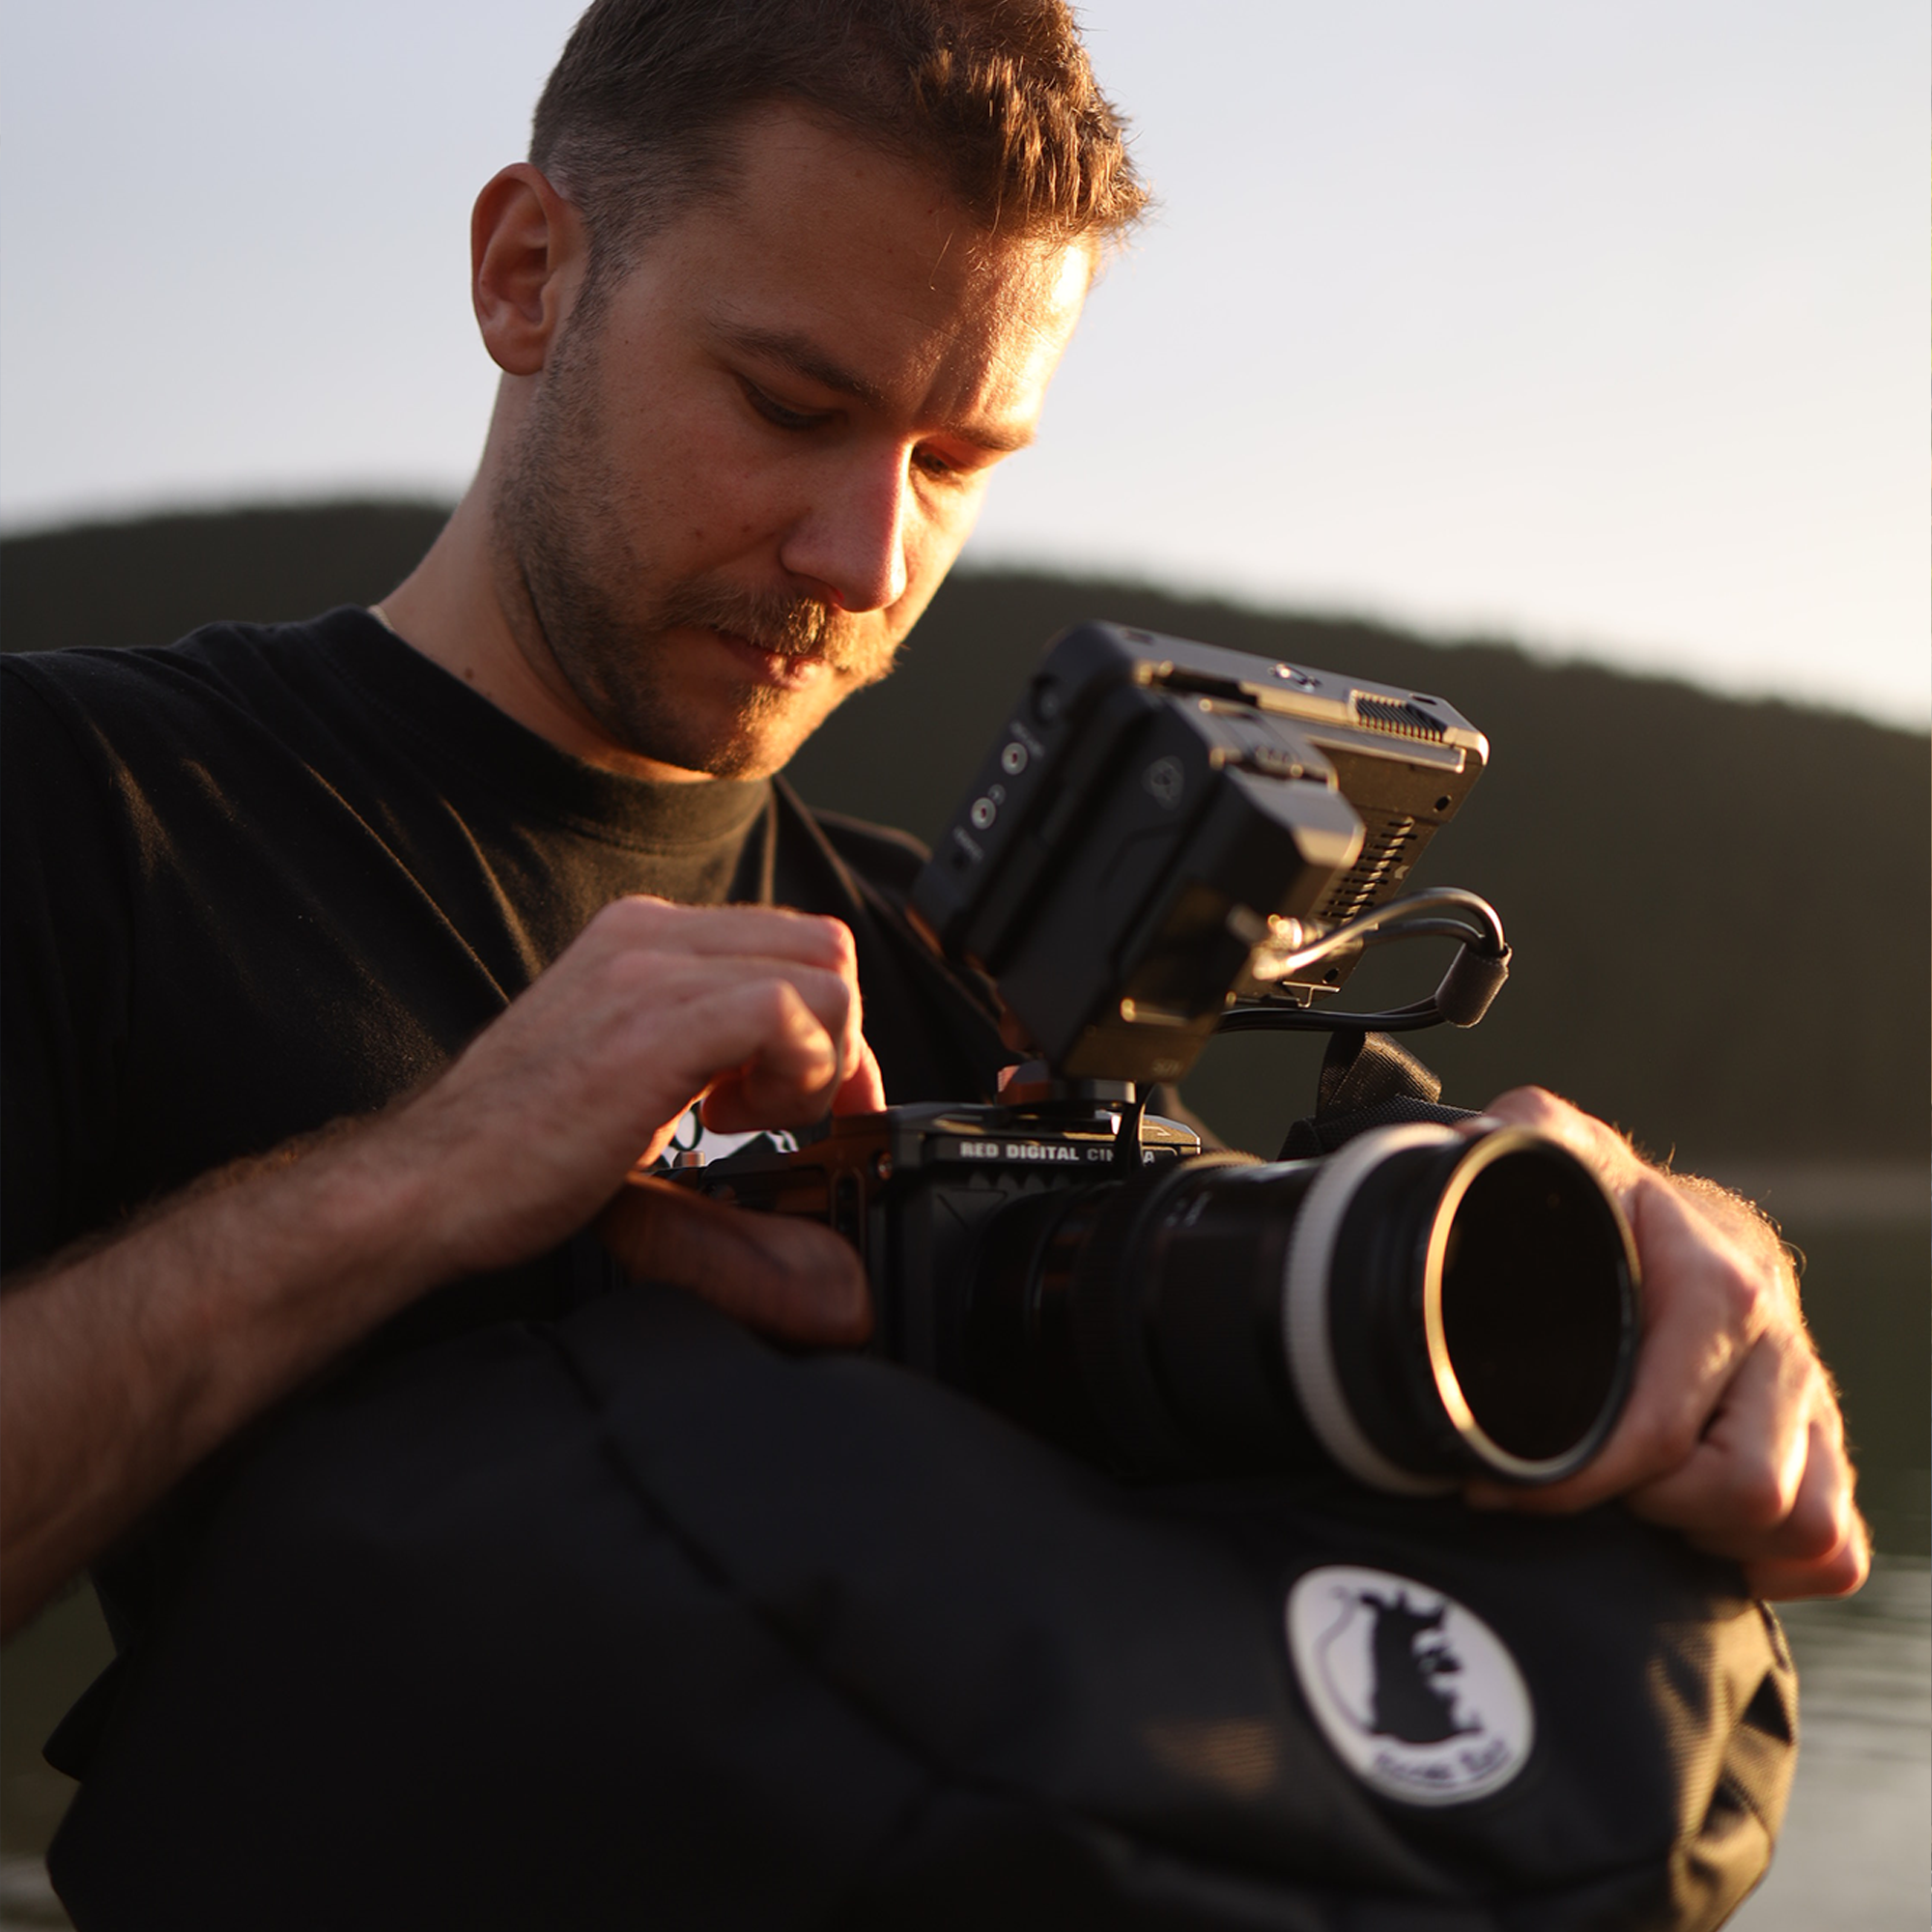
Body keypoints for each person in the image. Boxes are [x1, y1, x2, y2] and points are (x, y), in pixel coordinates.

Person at [0, 0, 1862, 1683]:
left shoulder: (961, 958)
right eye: (791, 405)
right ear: (526, 273)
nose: (868, 560)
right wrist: (430, 1174)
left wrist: (1654, 1263)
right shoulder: (87, 802)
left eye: (960, 462)